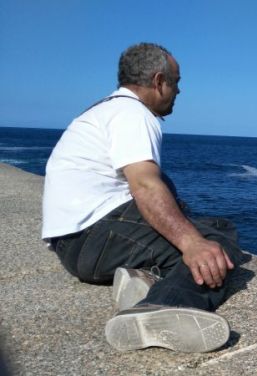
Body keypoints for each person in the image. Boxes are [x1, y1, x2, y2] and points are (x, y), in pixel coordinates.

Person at [41, 42, 243, 353]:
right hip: (94, 237)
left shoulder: (106, 109)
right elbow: (145, 186)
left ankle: (142, 280)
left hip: (74, 244)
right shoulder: (133, 114)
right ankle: (158, 310)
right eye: (176, 82)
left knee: (211, 225)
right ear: (159, 81)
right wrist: (192, 243)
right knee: (216, 245)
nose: (179, 91)